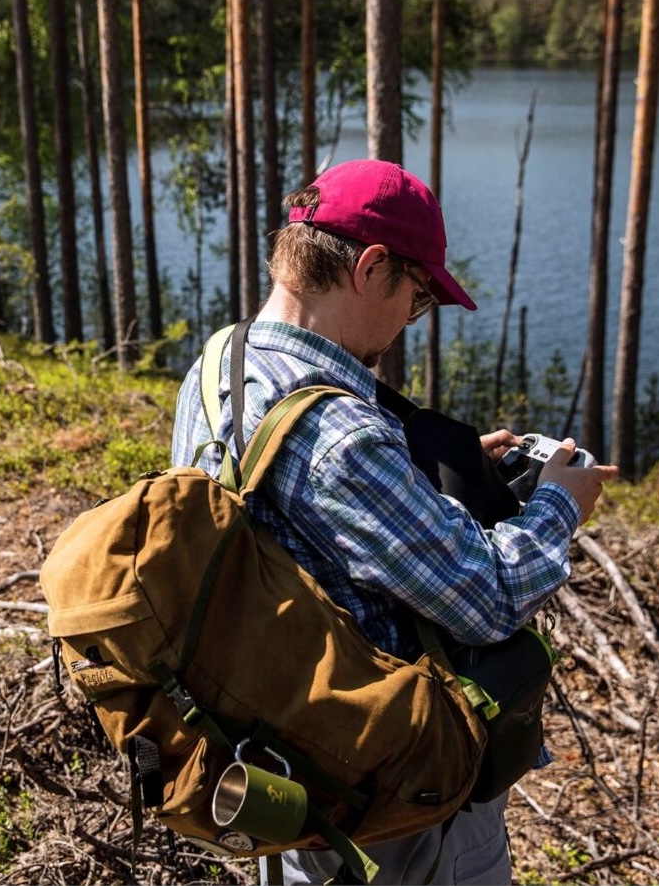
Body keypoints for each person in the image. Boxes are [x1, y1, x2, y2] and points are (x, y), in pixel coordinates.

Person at [171, 158, 619, 885]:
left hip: (271, 757)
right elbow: (490, 598)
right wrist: (561, 503)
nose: (412, 319)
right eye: (417, 297)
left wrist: (407, 480)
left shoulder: (220, 364)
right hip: (388, 808)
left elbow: (288, 508)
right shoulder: (342, 435)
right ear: (372, 266)